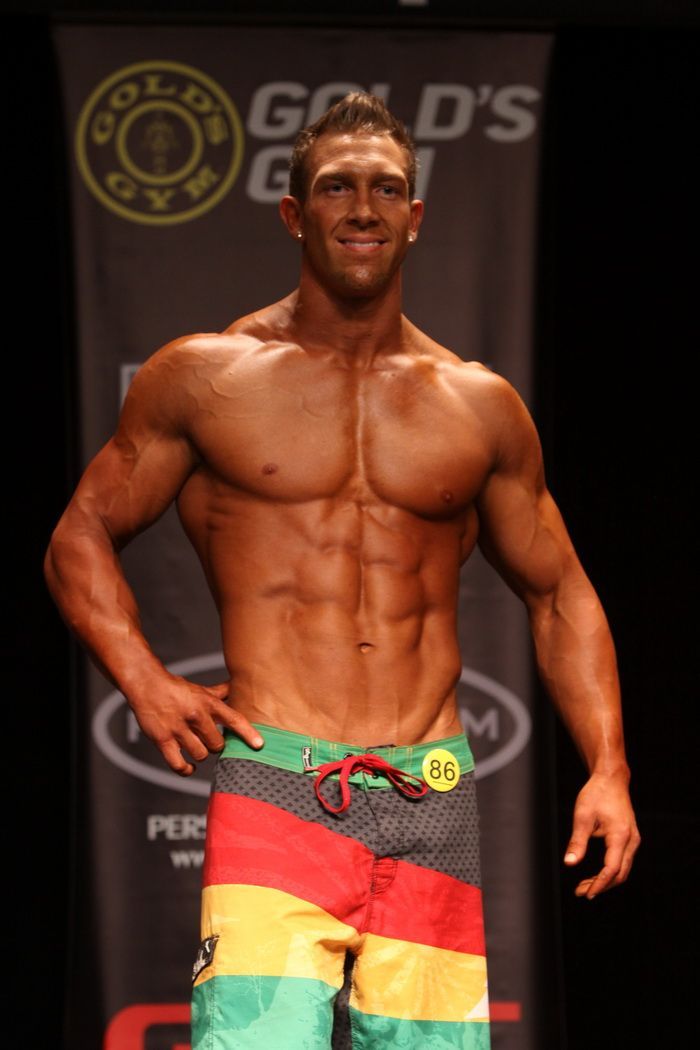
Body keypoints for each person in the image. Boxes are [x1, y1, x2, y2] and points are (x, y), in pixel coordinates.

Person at [45, 93, 640, 1050]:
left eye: (386, 189)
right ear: (294, 212)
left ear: (416, 216)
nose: (363, 208)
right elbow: (78, 534)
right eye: (336, 187)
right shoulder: (208, 377)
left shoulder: (478, 404)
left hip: (431, 793)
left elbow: (559, 592)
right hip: (278, 784)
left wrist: (608, 767)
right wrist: (144, 679)